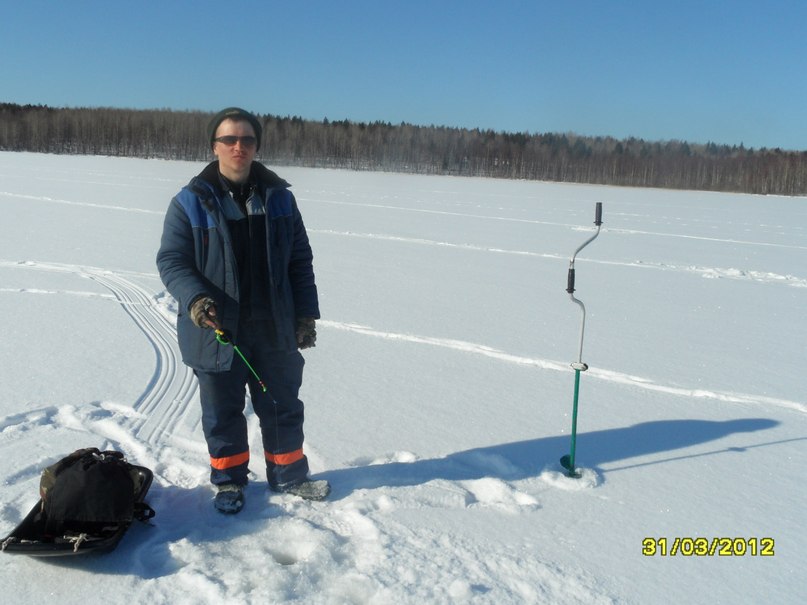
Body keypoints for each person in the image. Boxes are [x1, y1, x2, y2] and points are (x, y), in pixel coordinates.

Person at [157, 107, 328, 513]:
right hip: (217, 328)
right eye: (229, 139)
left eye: (247, 139)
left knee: (282, 404)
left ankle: (289, 475)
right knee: (222, 412)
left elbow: (299, 262)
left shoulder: (280, 199)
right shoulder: (189, 202)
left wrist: (305, 315)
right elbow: (172, 261)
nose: (239, 147)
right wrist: (196, 300)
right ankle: (229, 482)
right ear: (214, 146)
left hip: (273, 326)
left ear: (256, 146)